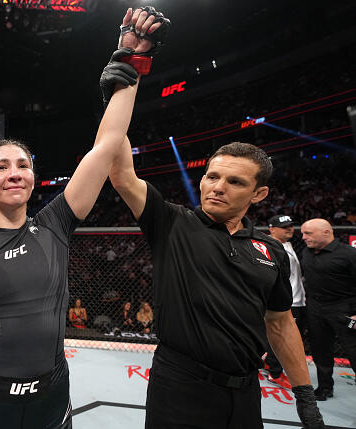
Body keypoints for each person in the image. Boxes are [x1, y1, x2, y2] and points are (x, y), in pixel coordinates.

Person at [0, 8, 164, 429]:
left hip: (52, 397)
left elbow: (108, 144)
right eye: (1, 166)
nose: (15, 172)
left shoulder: (55, 221)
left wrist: (130, 62)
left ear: (34, 178)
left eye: (22, 164)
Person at [107, 29, 325, 424]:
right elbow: (121, 172)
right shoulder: (173, 223)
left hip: (245, 390)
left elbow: (280, 323)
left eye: (235, 182)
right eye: (211, 177)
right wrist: (126, 74)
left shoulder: (271, 251)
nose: (217, 188)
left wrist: (304, 393)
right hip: (179, 387)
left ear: (259, 195)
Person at [300, 218, 356, 401]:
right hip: (315, 307)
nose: (303, 237)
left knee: (353, 350)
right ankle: (324, 388)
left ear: (326, 232)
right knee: (320, 349)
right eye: (302, 233)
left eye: (308, 233)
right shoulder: (306, 252)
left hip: (344, 308)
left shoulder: (349, 254)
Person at [264, 214, 307, 389]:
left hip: (297, 300)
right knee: (283, 338)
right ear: (272, 229)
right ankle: (275, 374)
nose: (289, 229)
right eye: (284, 227)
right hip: (285, 302)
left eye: (290, 226)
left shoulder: (288, 244)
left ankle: (270, 365)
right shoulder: (269, 247)